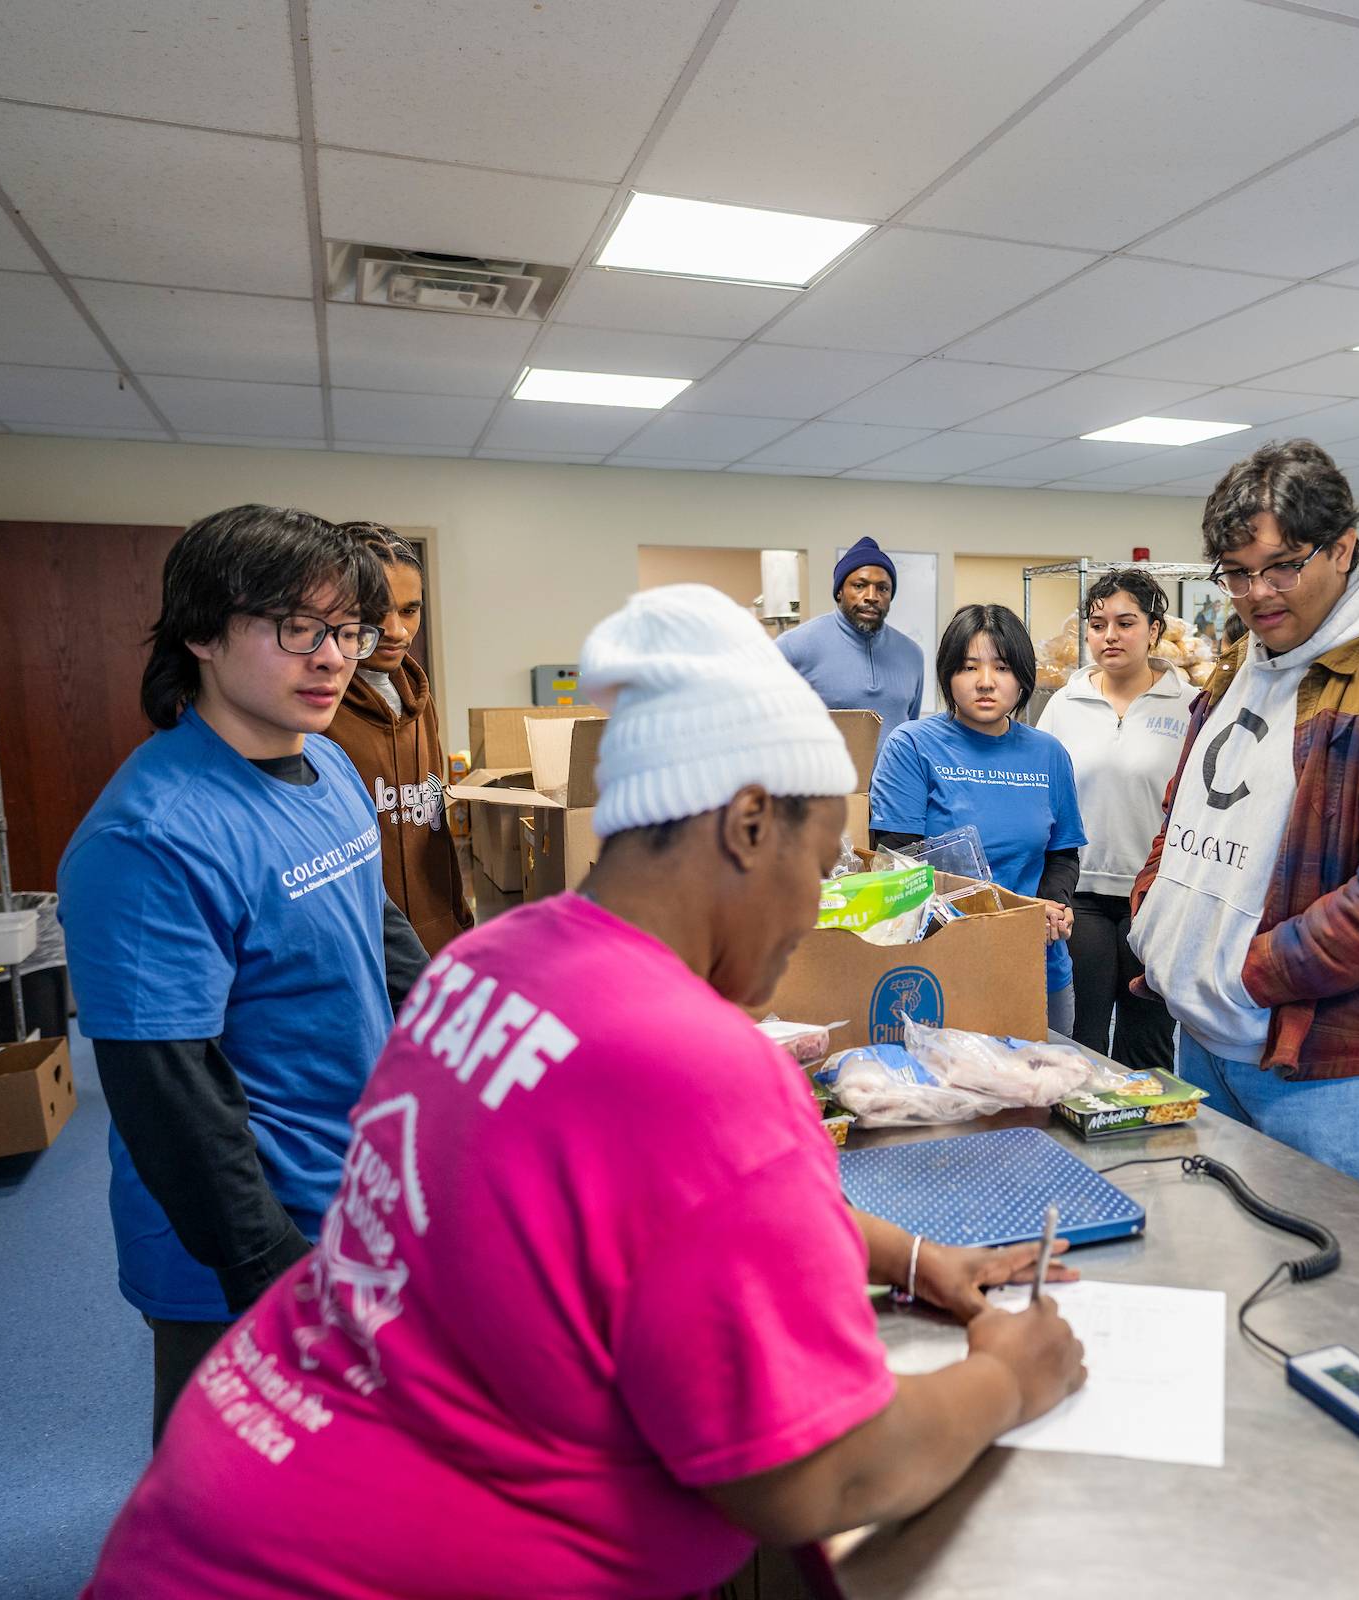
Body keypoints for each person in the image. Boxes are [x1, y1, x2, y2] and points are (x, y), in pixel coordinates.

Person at [81, 586, 1087, 1598]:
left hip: (224, 1509)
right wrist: (1010, 1375)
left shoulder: (492, 961)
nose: (813, 917)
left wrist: (909, 1257)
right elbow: (822, 1474)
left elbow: (628, 1207)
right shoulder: (696, 1064)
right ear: (748, 823)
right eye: (819, 869)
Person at [59, 506, 432, 1440]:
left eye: (347, 631)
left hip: (353, 1191)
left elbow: (379, 932)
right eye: (298, 628)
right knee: (230, 1500)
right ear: (202, 633)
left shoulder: (329, 766)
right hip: (238, 1245)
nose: (333, 658)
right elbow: (166, 1091)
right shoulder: (152, 837)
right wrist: (270, 1272)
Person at [1130, 440, 1359, 1192]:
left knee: (1327, 1261)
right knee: (1218, 1248)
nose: (1257, 593)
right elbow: (1186, 808)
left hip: (1326, 1063)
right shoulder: (1248, 657)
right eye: (1236, 573)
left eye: (1283, 567)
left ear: (1344, 549)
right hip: (1206, 1033)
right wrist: (1156, 916)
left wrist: (1247, 972)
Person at [869, 604, 1086, 1037]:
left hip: (1036, 964)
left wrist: (1053, 907)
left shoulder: (1048, 753)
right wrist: (1010, 910)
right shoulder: (913, 745)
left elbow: (1062, 854)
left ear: (1022, 676)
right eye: (969, 667)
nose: (986, 681)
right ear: (948, 674)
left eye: (1002, 667)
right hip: (941, 964)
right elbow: (896, 864)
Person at [1035, 569, 1190, 1069]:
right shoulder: (1063, 704)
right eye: (1098, 625)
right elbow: (1045, 796)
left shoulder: (1189, 706)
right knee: (1083, 1041)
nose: (1110, 636)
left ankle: (1149, 1122)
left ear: (1154, 629)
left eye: (1126, 623)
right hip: (1081, 895)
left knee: (1148, 1044)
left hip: (1156, 896)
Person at [327, 522, 470, 954]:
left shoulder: (419, 699)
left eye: (409, 611)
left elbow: (434, 828)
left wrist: (460, 923)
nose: (396, 630)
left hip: (438, 942)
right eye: (375, 611)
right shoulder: (317, 711)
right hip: (361, 949)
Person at [776, 535, 926, 740]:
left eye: (882, 588)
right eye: (859, 585)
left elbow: (910, 729)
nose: (871, 596)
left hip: (895, 764)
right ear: (839, 591)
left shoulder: (912, 654)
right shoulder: (793, 646)